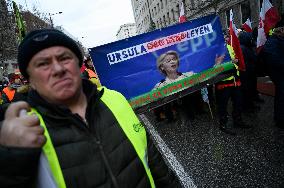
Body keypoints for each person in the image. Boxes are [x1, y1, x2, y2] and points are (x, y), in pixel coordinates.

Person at [0, 29, 180, 188]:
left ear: (79, 66)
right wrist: (12, 159)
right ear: (29, 78)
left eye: (64, 58)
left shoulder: (114, 99)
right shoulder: (20, 130)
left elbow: (154, 162)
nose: (57, 69)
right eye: (43, 64)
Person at [214, 31, 251, 135]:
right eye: (224, 37)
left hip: (235, 79)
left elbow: (236, 58)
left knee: (238, 102)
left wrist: (237, 62)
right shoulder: (216, 50)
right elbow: (216, 66)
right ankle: (223, 124)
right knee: (223, 105)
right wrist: (232, 62)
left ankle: (237, 120)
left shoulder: (230, 46)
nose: (226, 39)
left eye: (226, 37)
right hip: (224, 82)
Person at [260, 19, 284, 129]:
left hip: (279, 72)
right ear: (281, 30)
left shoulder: (278, 40)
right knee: (281, 96)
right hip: (278, 74)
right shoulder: (272, 42)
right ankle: (280, 119)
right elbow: (273, 60)